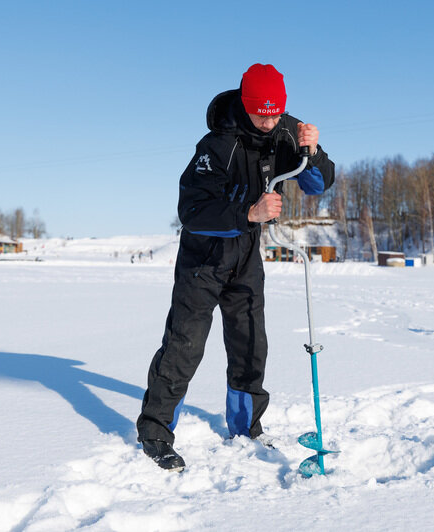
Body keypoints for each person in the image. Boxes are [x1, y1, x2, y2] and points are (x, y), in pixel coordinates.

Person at [136, 63, 335, 471]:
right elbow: (191, 211)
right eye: (262, 113)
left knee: (250, 344)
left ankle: (246, 428)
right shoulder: (216, 146)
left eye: (276, 112)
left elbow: (318, 183)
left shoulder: (285, 131)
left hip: (246, 256)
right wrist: (248, 212)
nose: (270, 121)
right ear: (245, 106)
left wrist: (312, 153)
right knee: (184, 346)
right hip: (203, 259)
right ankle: (155, 432)